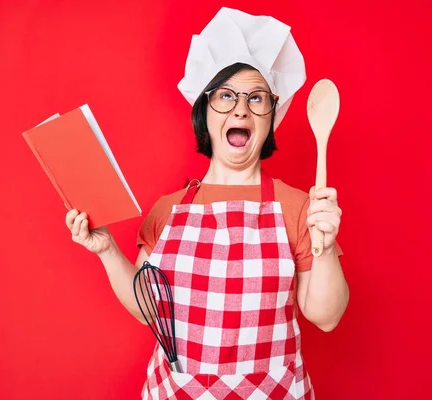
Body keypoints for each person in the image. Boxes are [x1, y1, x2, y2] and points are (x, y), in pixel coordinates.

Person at [65, 7, 348, 400]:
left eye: (256, 98)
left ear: (270, 117)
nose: (241, 108)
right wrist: (108, 250)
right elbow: (151, 310)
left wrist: (327, 245)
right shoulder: (167, 210)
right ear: (204, 110)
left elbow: (326, 316)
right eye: (226, 96)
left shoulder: (299, 208)